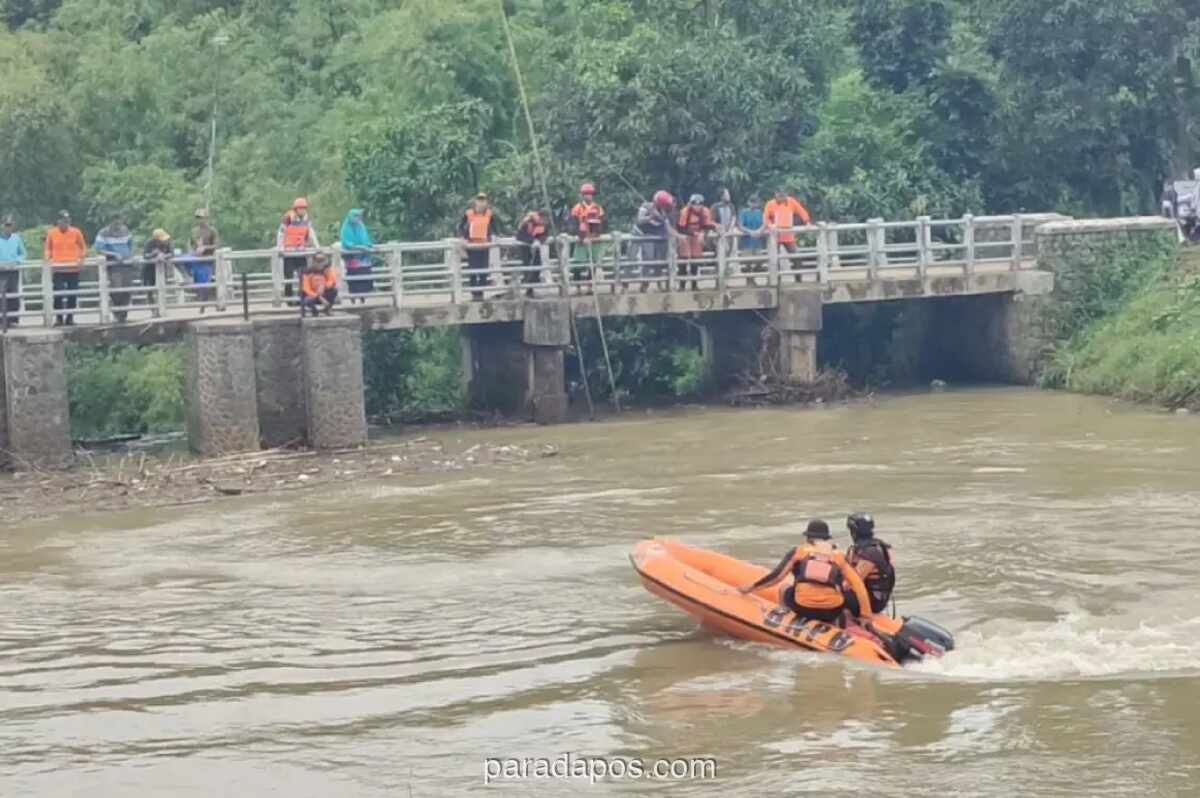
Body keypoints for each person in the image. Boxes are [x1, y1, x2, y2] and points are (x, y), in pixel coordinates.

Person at [738, 519, 873, 626]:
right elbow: (858, 585)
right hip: (831, 611)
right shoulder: (838, 556)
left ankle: (785, 621)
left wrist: (751, 587)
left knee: (784, 588)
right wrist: (866, 615)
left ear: (809, 537)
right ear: (827, 539)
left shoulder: (799, 551)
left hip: (803, 607)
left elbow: (777, 576)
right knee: (838, 596)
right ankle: (835, 624)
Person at [845, 512, 896, 615]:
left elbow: (853, 581)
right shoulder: (877, 546)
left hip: (872, 601)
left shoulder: (870, 552)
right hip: (875, 596)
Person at [43, 210, 87, 326]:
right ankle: (59, 318)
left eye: (67, 221)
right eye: (63, 220)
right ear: (58, 221)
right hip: (58, 269)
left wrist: (81, 258)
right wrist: (48, 258)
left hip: (73, 268)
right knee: (58, 293)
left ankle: (70, 317)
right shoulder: (51, 233)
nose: (65, 223)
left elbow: (82, 247)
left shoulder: (76, 232)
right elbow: (48, 248)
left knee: (73, 294)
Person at [759, 188, 812, 279]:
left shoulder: (791, 201)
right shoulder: (770, 204)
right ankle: (776, 280)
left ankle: (798, 279)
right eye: (780, 196)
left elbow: (801, 211)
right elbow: (765, 217)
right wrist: (770, 225)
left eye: (783, 196)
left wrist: (807, 222)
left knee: (796, 257)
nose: (782, 198)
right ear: (775, 194)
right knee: (775, 259)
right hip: (775, 235)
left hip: (788, 235)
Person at [95, 213, 135, 323]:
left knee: (127, 289)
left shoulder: (125, 230)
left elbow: (130, 244)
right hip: (114, 265)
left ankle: (123, 314)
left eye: (119, 221)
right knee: (116, 289)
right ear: (111, 221)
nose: (118, 224)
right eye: (115, 222)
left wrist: (131, 255)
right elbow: (99, 249)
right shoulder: (103, 233)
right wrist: (113, 254)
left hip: (127, 265)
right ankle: (117, 312)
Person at [457, 193, 498, 301]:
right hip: (472, 245)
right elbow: (460, 226)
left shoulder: (489, 214)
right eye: (479, 200)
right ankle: (474, 294)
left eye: (483, 200)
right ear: (475, 202)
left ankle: (480, 293)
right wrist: (462, 238)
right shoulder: (469, 213)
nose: (481, 202)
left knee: (484, 271)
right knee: (473, 271)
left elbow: (495, 227)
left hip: (485, 245)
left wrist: (494, 236)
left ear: (486, 202)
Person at [278, 197, 318, 301]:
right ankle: (289, 299)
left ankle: (303, 297)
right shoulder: (288, 217)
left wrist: (317, 246)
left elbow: (311, 233)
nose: (302, 210)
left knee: (303, 275)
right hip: (289, 251)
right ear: (295, 209)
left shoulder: (306, 219)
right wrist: (280, 248)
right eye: (300, 208)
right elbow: (281, 233)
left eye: (304, 208)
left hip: (301, 251)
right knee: (289, 275)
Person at [634, 191, 675, 292]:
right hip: (647, 235)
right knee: (648, 259)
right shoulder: (645, 207)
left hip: (660, 236)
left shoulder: (667, 210)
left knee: (660, 261)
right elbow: (639, 220)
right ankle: (645, 284)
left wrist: (659, 216)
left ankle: (659, 282)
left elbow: (666, 222)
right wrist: (650, 217)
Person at [570, 182, 605, 290]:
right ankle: (577, 286)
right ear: (582, 195)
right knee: (578, 263)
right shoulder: (577, 208)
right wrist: (582, 237)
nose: (589, 196)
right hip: (581, 239)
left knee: (593, 262)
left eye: (590, 194)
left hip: (594, 238)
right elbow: (573, 225)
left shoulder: (598, 208)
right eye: (586, 194)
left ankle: (590, 286)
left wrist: (594, 235)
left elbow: (602, 223)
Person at [677, 194, 715, 291]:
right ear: (690, 204)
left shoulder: (706, 211)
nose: (697, 206)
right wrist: (695, 233)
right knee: (683, 262)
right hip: (686, 237)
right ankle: (682, 286)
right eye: (694, 204)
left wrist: (703, 233)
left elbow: (707, 225)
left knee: (695, 261)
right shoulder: (685, 211)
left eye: (699, 204)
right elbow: (681, 228)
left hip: (697, 237)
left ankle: (694, 285)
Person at [340, 208, 374, 302]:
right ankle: (353, 297)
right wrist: (358, 247)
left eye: (358, 216)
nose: (357, 218)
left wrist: (370, 246)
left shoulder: (361, 226)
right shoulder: (346, 227)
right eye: (355, 216)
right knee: (353, 276)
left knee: (365, 274)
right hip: (351, 257)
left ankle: (363, 296)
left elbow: (365, 238)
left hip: (363, 258)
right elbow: (346, 242)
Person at [190, 208, 220, 311]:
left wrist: (205, 248)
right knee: (199, 283)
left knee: (207, 282)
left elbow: (217, 244)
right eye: (198, 218)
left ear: (206, 218)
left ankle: (205, 305)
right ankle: (203, 303)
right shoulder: (194, 231)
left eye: (201, 218)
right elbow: (191, 244)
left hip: (208, 259)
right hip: (197, 259)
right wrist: (194, 251)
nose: (200, 220)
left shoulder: (212, 230)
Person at [515, 209, 548, 298]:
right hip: (525, 247)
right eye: (544, 219)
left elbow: (545, 234)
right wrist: (532, 241)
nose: (545, 221)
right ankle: (528, 290)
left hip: (536, 248)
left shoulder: (543, 224)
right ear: (540, 217)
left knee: (537, 267)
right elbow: (520, 236)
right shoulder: (527, 222)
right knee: (527, 267)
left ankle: (532, 288)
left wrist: (539, 241)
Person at [0, 215, 27, 325]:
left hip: (13, 270)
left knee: (14, 294)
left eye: (10, 225)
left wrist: (17, 261)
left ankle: (13, 319)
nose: (8, 227)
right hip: (1, 270)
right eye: (6, 225)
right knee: (1, 294)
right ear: (2, 225)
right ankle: (2, 319)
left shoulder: (16, 238)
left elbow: (23, 253)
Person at [141, 228, 172, 307]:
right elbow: (145, 255)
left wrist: (164, 256)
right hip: (149, 270)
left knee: (161, 288)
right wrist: (153, 254)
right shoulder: (149, 243)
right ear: (156, 238)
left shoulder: (166, 243)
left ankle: (161, 307)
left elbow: (171, 253)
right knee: (150, 290)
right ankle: (153, 308)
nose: (163, 240)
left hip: (161, 269)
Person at [737, 196, 765, 286]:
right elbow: (740, 226)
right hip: (746, 241)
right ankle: (749, 280)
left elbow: (764, 223)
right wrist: (750, 232)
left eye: (755, 202)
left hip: (757, 240)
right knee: (747, 262)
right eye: (751, 202)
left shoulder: (759, 212)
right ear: (748, 203)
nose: (753, 204)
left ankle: (753, 277)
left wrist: (759, 230)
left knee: (759, 261)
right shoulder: (744, 212)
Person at [711, 188, 736, 258]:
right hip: (719, 234)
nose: (729, 196)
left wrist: (731, 228)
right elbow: (711, 221)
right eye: (727, 194)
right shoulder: (715, 207)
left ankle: (727, 267)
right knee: (719, 254)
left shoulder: (731, 206)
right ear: (722, 196)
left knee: (728, 254)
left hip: (729, 233)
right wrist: (719, 227)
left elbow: (733, 218)